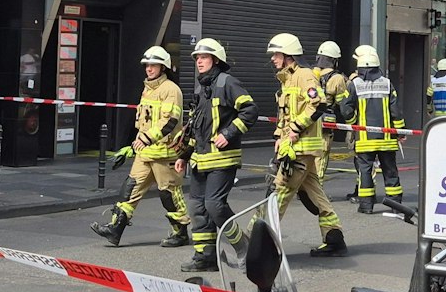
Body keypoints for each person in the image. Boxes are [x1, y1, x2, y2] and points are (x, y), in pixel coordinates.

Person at [92, 47, 189, 248]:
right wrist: (133, 147)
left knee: (169, 195)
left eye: (153, 65)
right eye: (147, 65)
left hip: (165, 154)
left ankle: (180, 233)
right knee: (129, 189)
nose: (149, 69)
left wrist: (145, 139)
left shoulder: (171, 90)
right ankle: (115, 229)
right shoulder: (147, 89)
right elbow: (145, 122)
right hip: (145, 153)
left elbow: (169, 121)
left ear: (163, 67)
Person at [179, 38, 255, 273]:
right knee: (197, 208)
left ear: (216, 60)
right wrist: (184, 155)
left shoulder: (227, 83)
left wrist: (229, 133)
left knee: (214, 206)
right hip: (200, 161)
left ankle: (244, 247)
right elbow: (196, 128)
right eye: (197, 58)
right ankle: (205, 256)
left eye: (203, 57)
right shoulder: (201, 88)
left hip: (223, 160)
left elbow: (250, 110)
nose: (199, 61)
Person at [267, 33, 346, 258]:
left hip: (301, 148)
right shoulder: (287, 79)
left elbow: (318, 103)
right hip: (296, 147)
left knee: (279, 192)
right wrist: (279, 136)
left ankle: (259, 242)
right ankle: (334, 238)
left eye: (276, 54)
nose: (273, 58)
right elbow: (285, 114)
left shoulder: (305, 75)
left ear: (288, 55)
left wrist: (295, 128)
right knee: (316, 193)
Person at [347, 45, 404, 214]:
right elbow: (395, 110)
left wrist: (353, 124)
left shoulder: (354, 85)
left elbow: (346, 108)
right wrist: (400, 131)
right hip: (386, 139)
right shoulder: (387, 83)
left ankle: (366, 206)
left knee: (365, 171)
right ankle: (395, 205)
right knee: (390, 171)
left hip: (365, 140)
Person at [311, 41, 356, 181]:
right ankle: (316, 188)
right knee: (320, 157)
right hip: (324, 125)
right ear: (335, 61)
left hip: (307, 122)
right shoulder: (337, 78)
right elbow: (343, 104)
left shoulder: (309, 74)